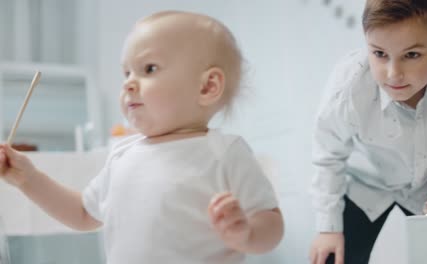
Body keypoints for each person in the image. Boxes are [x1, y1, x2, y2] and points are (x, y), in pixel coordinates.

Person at [0, 10, 283, 264]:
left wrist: (247, 234)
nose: (128, 83)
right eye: (126, 72)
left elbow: (271, 222)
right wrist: (28, 178)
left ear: (208, 86)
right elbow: (83, 214)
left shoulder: (225, 153)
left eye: (149, 69)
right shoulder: (123, 155)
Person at [308, 1, 427, 263]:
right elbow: (327, 155)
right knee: (333, 257)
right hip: (365, 185)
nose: (394, 74)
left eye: (412, 55)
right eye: (380, 53)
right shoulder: (347, 88)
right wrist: (328, 227)